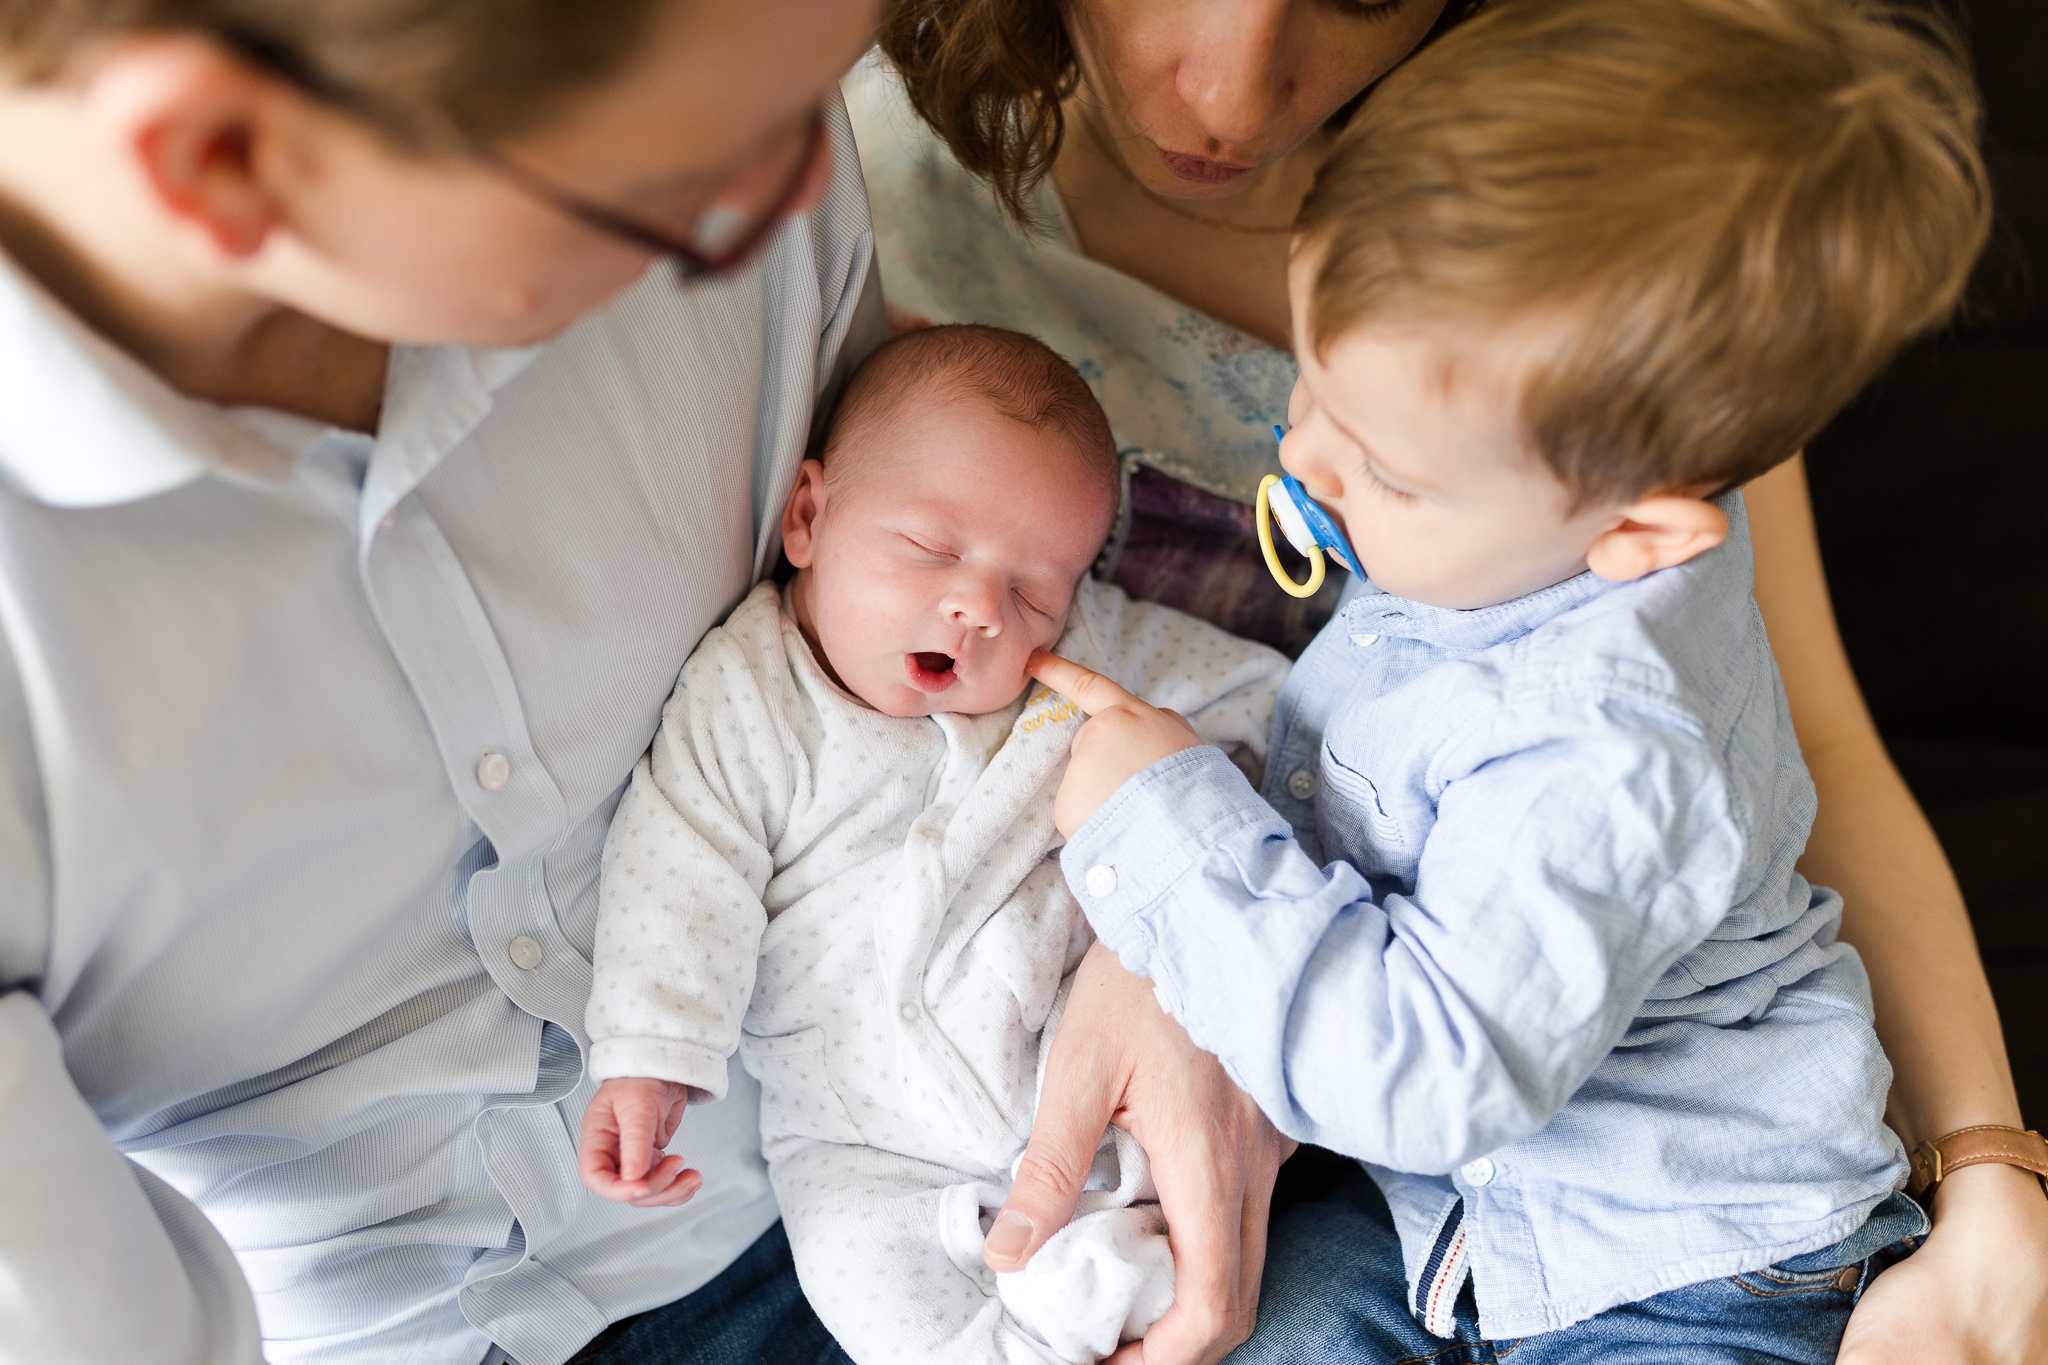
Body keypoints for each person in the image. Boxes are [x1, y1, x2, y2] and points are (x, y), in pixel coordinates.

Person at [0, 6, 1285, 1365]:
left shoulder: (726, 114)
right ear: (217, 164)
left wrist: (1193, 942)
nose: (809, 191)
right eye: (678, 176)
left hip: (898, 1147)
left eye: (813, 101)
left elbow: (958, 589)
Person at [850, 0, 2048, 1357]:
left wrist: (1169, 832)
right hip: (1460, 1212)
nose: (1304, 470)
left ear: (1642, 534)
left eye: (1393, 471)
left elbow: (1425, 1072)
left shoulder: (1606, 718)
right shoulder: (1478, 411)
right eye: (1313, 393)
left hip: (1693, 1258)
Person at [575, 324, 1289, 1365]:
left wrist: (1182, 784)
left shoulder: (1089, 654)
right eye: (932, 549)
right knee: (872, 1293)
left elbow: (1256, 702)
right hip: (863, 1136)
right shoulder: (752, 691)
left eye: (1035, 589)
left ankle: (1098, 1292)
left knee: (1164, 1228)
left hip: (1084, 1085)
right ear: (810, 517)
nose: (979, 608)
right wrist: (647, 1059)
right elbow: (681, 870)